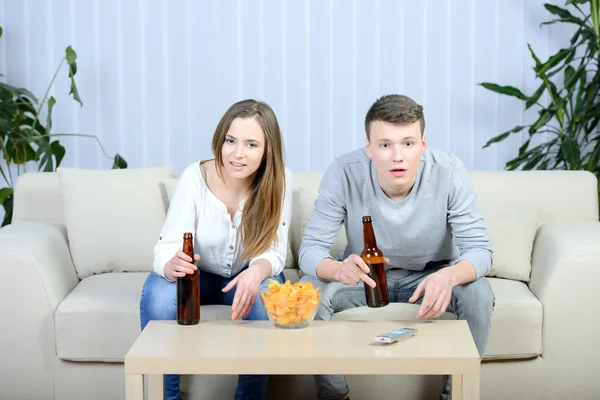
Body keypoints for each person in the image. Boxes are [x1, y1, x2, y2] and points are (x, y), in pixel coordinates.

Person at [298, 94, 495, 400]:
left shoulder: (449, 170)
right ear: (369, 148)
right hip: (367, 279)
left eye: (408, 143)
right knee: (308, 292)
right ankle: (335, 396)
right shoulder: (344, 171)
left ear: (423, 144)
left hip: (433, 276)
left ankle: (453, 395)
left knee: (479, 294)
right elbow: (310, 248)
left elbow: (480, 249)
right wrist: (338, 269)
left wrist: (451, 276)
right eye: (385, 144)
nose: (397, 156)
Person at [140, 99, 292, 400]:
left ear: (266, 150)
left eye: (251, 144)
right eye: (230, 141)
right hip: (196, 277)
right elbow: (167, 246)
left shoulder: (280, 180)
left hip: (244, 277)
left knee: (267, 299)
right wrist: (172, 265)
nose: (237, 153)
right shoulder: (194, 177)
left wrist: (256, 272)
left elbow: (274, 252)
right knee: (158, 296)